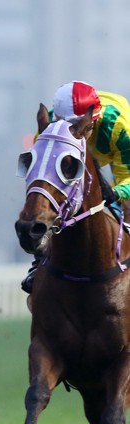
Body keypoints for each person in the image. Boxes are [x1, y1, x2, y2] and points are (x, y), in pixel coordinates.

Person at [20, 80, 130, 293]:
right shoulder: (48, 131)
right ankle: (39, 263)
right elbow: (40, 180)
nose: (71, 134)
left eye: (78, 129)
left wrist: (115, 192)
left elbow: (128, 177)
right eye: (66, 127)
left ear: (91, 123)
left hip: (119, 159)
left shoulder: (118, 128)